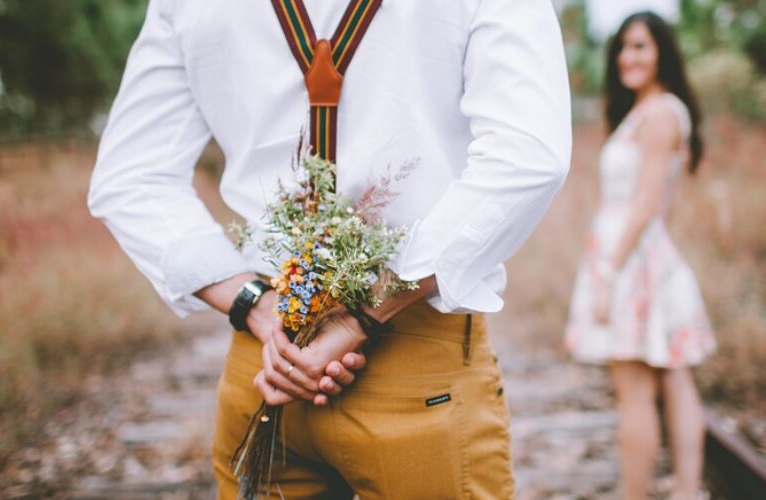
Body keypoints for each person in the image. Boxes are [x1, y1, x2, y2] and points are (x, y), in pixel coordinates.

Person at [88, 0, 572, 497]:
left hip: (267, 367)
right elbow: (529, 155)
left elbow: (130, 178)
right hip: (415, 368)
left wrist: (255, 302)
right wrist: (362, 312)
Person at [563, 11, 716, 500]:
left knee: (635, 391)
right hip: (642, 255)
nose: (628, 57)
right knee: (673, 376)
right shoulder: (652, 110)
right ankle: (688, 490)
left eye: (640, 47)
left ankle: (640, 494)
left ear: (662, 53)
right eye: (623, 48)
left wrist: (609, 272)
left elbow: (647, 203)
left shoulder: (659, 114)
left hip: (630, 262)